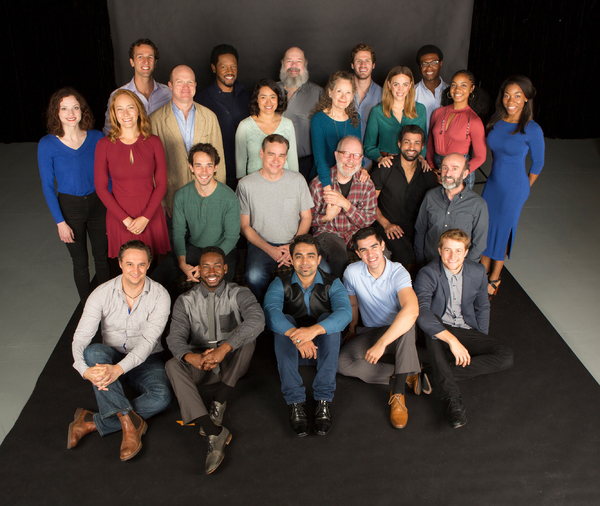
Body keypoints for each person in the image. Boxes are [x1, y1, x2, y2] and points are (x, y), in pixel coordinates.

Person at [68, 240, 173, 461]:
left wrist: (118, 370)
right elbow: (81, 337)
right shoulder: (101, 293)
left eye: (141, 265)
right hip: (111, 357)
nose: (135, 271)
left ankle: (91, 421)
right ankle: (128, 421)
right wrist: (82, 369)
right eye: (130, 264)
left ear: (149, 264)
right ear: (120, 264)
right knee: (93, 353)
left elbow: (147, 342)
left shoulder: (160, 295)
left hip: (147, 359)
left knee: (162, 397)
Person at [165, 246, 264, 474]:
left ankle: (220, 399)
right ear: (198, 270)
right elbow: (175, 338)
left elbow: (257, 319)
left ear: (225, 269)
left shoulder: (239, 292)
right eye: (206, 266)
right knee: (172, 364)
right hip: (201, 364)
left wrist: (224, 349)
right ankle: (213, 431)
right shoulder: (185, 300)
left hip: (230, 362)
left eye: (217, 265)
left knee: (248, 337)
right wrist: (192, 357)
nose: (211, 271)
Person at [414, 229, 514, 428]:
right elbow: (421, 310)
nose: (453, 256)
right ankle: (453, 401)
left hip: (466, 329)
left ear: (466, 252)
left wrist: (479, 338)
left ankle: (435, 373)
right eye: (448, 250)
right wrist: (451, 340)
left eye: (458, 251)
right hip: (439, 330)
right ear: (440, 250)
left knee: (506, 356)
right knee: (432, 326)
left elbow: (483, 306)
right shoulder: (428, 273)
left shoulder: (477, 272)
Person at [264, 235, 352, 437]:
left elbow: (346, 314)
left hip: (322, 351)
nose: (305, 262)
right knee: (283, 321)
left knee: (329, 319)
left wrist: (312, 331)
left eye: (310, 256)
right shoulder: (279, 283)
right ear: (292, 260)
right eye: (299, 256)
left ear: (319, 259)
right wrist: (297, 337)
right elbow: (271, 313)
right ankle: (295, 402)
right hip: (292, 352)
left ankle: (323, 401)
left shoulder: (333, 283)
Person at [338, 227, 422, 429]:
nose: (370, 254)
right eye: (363, 250)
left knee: (407, 325)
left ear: (383, 245)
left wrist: (382, 344)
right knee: (342, 363)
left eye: (374, 246)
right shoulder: (351, 272)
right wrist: (352, 329)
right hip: (372, 331)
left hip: (399, 332)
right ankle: (407, 371)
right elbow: (353, 304)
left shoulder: (398, 272)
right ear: (358, 254)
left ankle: (398, 394)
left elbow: (412, 310)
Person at [38, 87, 109, 302]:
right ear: (56, 113)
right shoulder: (47, 144)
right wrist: (60, 222)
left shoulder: (97, 138)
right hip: (70, 209)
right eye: (64, 108)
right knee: (80, 262)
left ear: (82, 110)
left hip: (98, 205)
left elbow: (109, 174)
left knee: (103, 259)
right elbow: (48, 186)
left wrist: (112, 206)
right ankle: (87, 307)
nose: (71, 113)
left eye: (75, 107)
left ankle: (108, 303)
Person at [481, 76, 545, 297]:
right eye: (507, 95)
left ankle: (494, 277)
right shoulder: (496, 121)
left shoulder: (531, 128)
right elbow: (494, 151)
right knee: (486, 226)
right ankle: (480, 271)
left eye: (518, 96)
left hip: (515, 188)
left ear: (526, 99)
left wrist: (523, 188)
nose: (511, 100)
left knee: (502, 230)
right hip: (493, 183)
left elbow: (538, 163)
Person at [150, 143, 240, 297]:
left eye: (208, 165)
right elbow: (178, 233)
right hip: (194, 248)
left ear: (216, 167)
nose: (204, 171)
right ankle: (169, 317)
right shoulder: (181, 195)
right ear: (191, 167)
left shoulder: (229, 197)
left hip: (222, 250)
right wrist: (182, 264)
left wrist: (205, 266)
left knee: (219, 288)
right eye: (198, 165)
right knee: (156, 280)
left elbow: (232, 237)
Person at [236, 134, 313, 303]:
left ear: (286, 157)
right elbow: (244, 226)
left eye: (281, 155)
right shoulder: (246, 185)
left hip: (295, 241)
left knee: (324, 268)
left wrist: (294, 245)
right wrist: (270, 249)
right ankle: (268, 309)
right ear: (261, 153)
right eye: (271, 154)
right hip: (261, 244)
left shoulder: (297, 180)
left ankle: (303, 308)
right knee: (254, 276)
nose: (276, 160)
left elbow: (307, 217)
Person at [95, 90, 170, 258]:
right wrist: (126, 220)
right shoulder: (103, 145)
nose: (126, 113)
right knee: (128, 270)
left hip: (150, 215)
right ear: (114, 114)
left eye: (130, 107)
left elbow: (162, 184)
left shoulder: (154, 142)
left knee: (156, 269)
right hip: (120, 218)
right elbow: (101, 188)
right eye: (120, 109)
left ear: (138, 110)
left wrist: (145, 217)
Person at [150, 65, 226, 219]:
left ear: (195, 85)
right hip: (172, 197)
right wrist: (162, 202)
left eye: (190, 82)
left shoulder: (210, 117)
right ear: (170, 85)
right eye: (179, 82)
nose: (186, 87)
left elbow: (220, 163)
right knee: (175, 242)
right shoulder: (154, 120)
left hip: (206, 198)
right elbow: (151, 166)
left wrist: (217, 196)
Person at [309, 136, 377, 278]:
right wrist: (326, 218)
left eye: (356, 155)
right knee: (339, 257)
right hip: (328, 232)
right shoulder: (318, 183)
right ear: (336, 155)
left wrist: (346, 204)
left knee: (381, 253)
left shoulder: (367, 184)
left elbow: (369, 220)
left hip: (356, 233)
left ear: (361, 159)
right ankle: (344, 298)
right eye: (346, 154)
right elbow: (307, 220)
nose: (351, 160)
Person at [372, 125, 439, 268]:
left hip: (414, 227)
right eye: (407, 142)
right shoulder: (386, 168)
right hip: (385, 224)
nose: (411, 147)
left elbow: (435, 204)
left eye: (416, 143)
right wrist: (385, 223)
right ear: (399, 143)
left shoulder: (426, 173)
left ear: (422, 147)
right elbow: (369, 202)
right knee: (403, 253)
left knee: (429, 252)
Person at [414, 153, 488, 266]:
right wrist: (421, 262)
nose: (448, 174)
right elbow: (420, 230)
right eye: (445, 168)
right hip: (430, 264)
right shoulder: (430, 196)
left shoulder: (478, 204)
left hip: (459, 268)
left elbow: (479, 243)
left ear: (465, 174)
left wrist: (464, 270)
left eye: (454, 169)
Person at [196, 44, 251, 190]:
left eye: (233, 66)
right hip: (215, 176)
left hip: (246, 174)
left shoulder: (248, 98)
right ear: (214, 68)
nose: (230, 71)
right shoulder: (202, 100)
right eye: (224, 67)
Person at [427, 70, 487, 190]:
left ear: (472, 89)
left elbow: (481, 156)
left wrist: (461, 172)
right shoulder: (438, 113)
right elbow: (430, 144)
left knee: (456, 208)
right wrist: (432, 167)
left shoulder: (474, 121)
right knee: (435, 205)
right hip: (437, 169)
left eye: (463, 85)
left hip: (460, 171)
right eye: (454, 85)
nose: (457, 89)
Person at [364, 66, 429, 170]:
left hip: (412, 165)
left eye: (405, 84)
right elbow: (368, 147)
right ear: (389, 85)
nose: (400, 89)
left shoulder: (420, 110)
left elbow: (423, 142)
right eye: (396, 84)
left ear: (410, 85)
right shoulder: (377, 111)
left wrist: (421, 158)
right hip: (386, 164)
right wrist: (380, 159)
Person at [102, 39, 171, 135]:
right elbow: (109, 132)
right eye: (140, 57)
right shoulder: (117, 96)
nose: (146, 61)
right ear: (132, 62)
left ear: (155, 62)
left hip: (163, 148)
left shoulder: (169, 94)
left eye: (150, 57)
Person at [235, 79, 298, 177]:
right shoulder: (245, 126)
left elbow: (293, 160)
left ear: (278, 99)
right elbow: (240, 163)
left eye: (273, 97)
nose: (268, 102)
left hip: (284, 183)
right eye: (263, 97)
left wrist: (294, 183)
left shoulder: (287, 124)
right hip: (254, 184)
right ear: (257, 99)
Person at [310, 71, 362, 190]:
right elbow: (320, 159)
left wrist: (362, 170)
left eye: (348, 92)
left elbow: (357, 153)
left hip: (348, 176)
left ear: (353, 95)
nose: (343, 97)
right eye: (339, 91)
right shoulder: (318, 119)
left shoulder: (356, 118)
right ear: (330, 92)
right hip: (324, 178)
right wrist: (328, 190)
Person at [277, 47, 323, 180]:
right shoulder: (269, 91)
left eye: (298, 61)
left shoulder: (318, 93)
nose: (294, 66)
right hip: (274, 163)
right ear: (282, 64)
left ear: (305, 65)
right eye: (289, 61)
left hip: (306, 165)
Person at [350, 43, 383, 140]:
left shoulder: (383, 95)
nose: (362, 65)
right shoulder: (341, 93)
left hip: (371, 154)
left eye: (367, 61)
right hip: (346, 153)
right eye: (358, 61)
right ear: (352, 65)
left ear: (373, 65)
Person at [414, 45, 447, 133]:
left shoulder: (452, 92)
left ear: (441, 63)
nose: (429, 68)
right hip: (419, 145)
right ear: (419, 66)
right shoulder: (411, 93)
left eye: (434, 62)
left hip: (446, 145)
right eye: (424, 64)